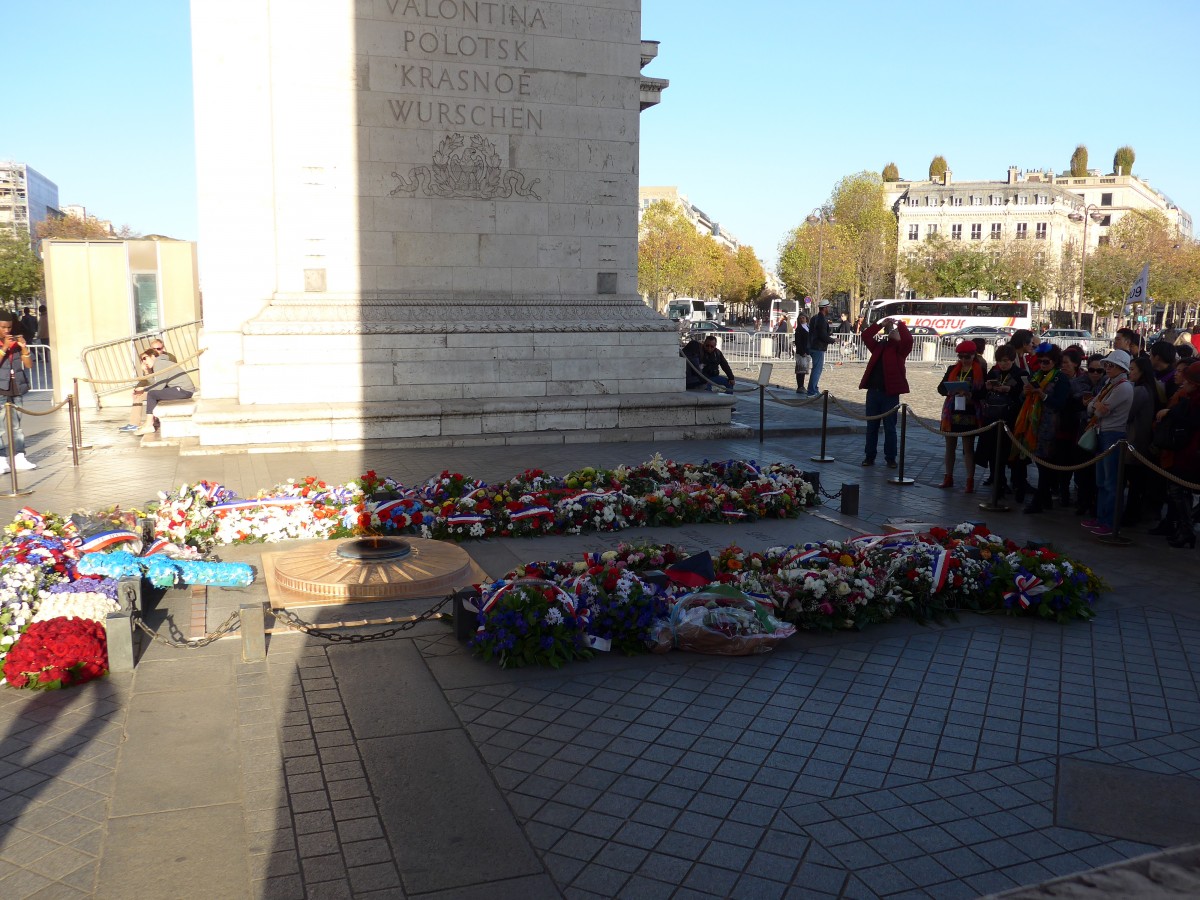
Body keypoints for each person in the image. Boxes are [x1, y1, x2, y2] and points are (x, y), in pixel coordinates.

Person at [1013, 343, 1071, 514]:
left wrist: (1042, 395)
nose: (1043, 365)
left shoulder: (1060, 378)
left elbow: (1060, 403)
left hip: (1050, 425)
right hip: (1034, 422)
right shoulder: (1037, 375)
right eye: (1040, 362)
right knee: (1039, 462)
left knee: (1045, 462)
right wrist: (1026, 392)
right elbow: (1023, 398)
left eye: (1046, 362)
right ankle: (1044, 498)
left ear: (1054, 362)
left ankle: (1040, 499)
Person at [1082, 349, 1135, 536]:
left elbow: (1099, 410)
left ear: (1121, 368)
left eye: (1111, 365)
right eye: (1107, 365)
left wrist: (1096, 406)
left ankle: (1109, 521)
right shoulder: (1109, 384)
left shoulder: (1123, 387)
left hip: (1113, 434)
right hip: (1103, 432)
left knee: (1111, 481)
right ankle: (1101, 518)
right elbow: (1092, 406)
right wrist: (1096, 406)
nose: (1107, 368)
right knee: (1102, 481)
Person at [1153, 360, 1200, 549]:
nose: (1183, 383)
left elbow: (1192, 421)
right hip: (1185, 451)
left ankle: (1187, 529)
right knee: (1180, 492)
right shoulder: (1189, 398)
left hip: (1193, 453)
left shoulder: (1195, 400)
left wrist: (1171, 414)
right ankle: (1185, 529)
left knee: (1180, 491)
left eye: (1187, 380)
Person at [976, 344, 1027, 499]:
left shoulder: (1020, 374)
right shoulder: (994, 372)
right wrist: (986, 387)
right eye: (1000, 360)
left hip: (1011, 419)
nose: (1003, 364)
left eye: (1006, 360)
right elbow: (980, 394)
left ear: (1012, 360)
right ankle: (998, 481)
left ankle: (1018, 484)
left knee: (1013, 453)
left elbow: (1025, 395)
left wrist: (1009, 390)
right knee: (993, 453)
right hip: (992, 418)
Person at [858, 318, 911, 468]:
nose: (893, 330)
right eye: (892, 329)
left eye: (896, 331)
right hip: (873, 392)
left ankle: (891, 458)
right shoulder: (879, 346)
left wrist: (901, 324)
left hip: (890, 394)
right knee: (871, 427)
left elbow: (908, 339)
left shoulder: (901, 350)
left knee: (890, 427)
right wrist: (881, 324)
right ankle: (869, 456)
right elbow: (866, 336)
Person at [936, 340, 986, 492]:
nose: (964, 360)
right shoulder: (952, 369)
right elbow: (940, 388)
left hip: (969, 411)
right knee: (949, 447)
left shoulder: (979, 371)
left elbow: (983, 392)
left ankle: (970, 480)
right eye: (961, 357)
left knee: (968, 448)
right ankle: (948, 476)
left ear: (973, 356)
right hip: (952, 411)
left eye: (967, 357)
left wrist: (970, 394)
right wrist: (951, 390)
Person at [134, 343, 196, 435]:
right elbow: (154, 382)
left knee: (152, 394)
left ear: (152, 356)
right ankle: (150, 422)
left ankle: (149, 425)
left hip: (184, 390)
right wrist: (146, 371)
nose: (144, 362)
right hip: (180, 389)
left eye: (145, 358)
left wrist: (143, 389)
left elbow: (158, 386)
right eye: (142, 360)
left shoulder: (160, 363)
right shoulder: (158, 364)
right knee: (153, 393)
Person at [0, 315, 36, 473]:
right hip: (1, 388)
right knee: (0, 427)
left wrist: (23, 348)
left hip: (16, 387)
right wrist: (4, 348)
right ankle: (1, 460)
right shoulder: (5, 344)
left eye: (9, 327)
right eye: (3, 327)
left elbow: (29, 365)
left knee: (17, 426)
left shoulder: (15, 342)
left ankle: (19, 457)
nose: (7, 330)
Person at [807, 299, 833, 396]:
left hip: (813, 346)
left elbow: (816, 332)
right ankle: (812, 391)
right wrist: (833, 340)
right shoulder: (822, 319)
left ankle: (813, 389)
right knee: (817, 370)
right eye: (828, 307)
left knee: (816, 369)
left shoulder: (815, 318)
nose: (829, 309)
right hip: (818, 347)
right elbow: (822, 335)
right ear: (825, 308)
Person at [793, 314, 811, 394]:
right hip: (801, 352)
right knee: (800, 370)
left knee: (804, 370)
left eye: (803, 318)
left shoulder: (808, 327)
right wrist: (802, 351)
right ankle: (800, 386)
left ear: (806, 318)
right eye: (800, 318)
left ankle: (802, 385)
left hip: (807, 350)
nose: (802, 319)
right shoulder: (799, 329)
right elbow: (798, 342)